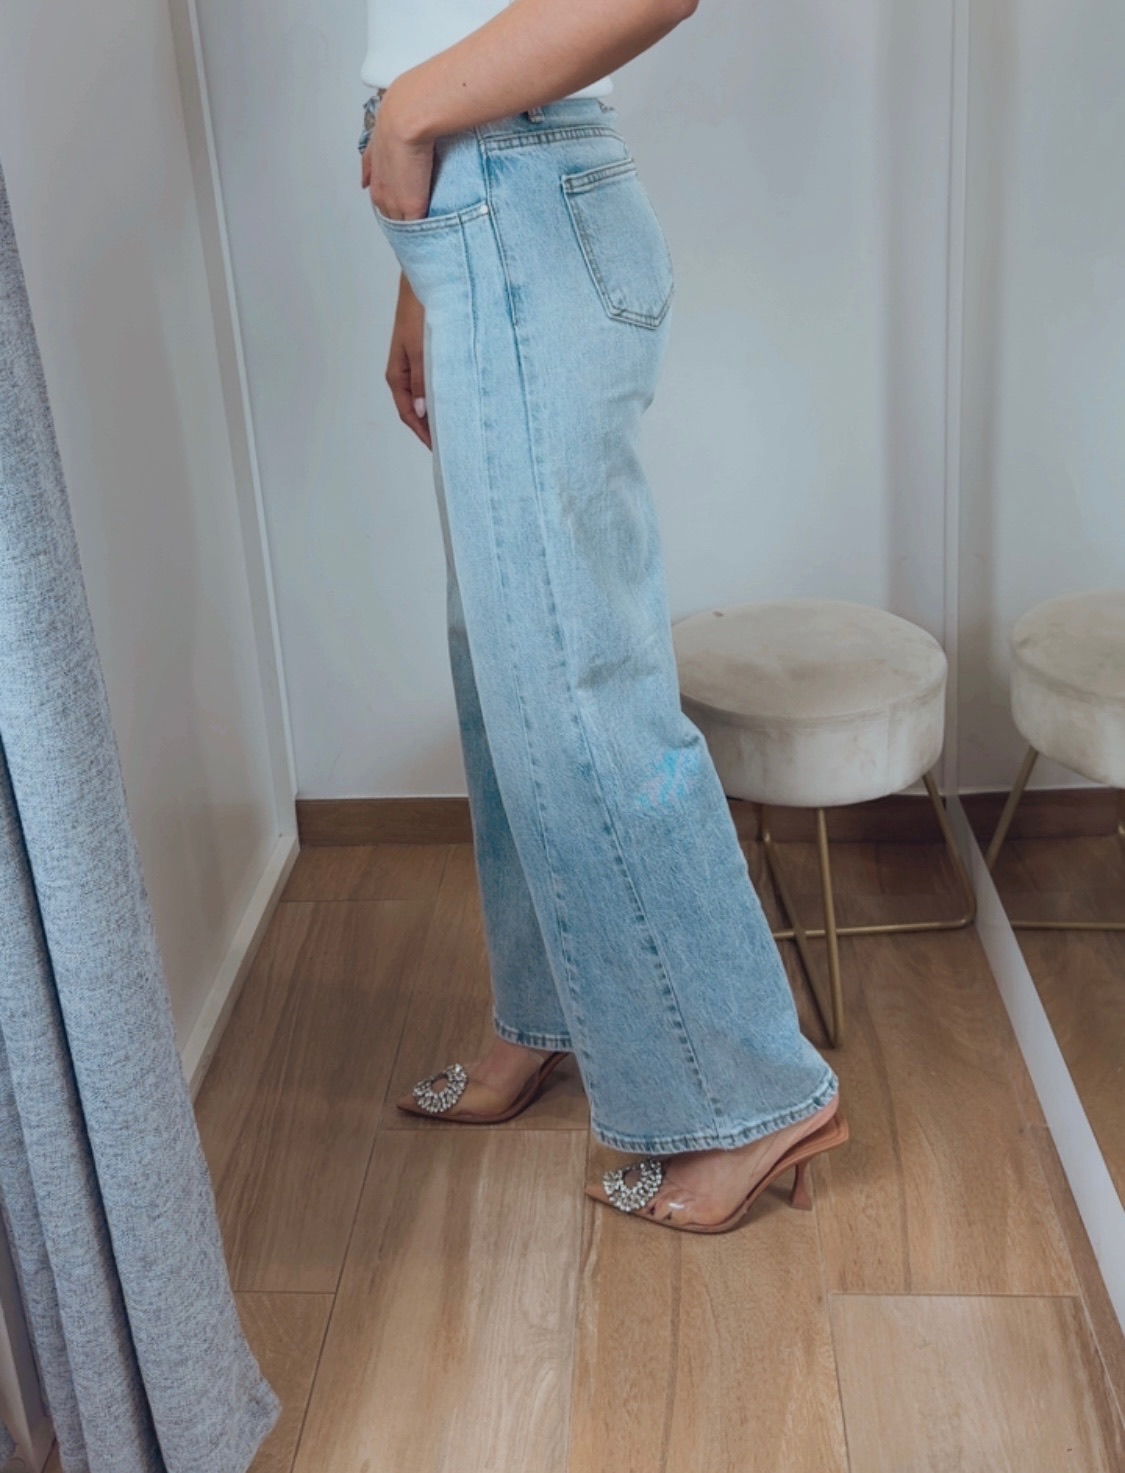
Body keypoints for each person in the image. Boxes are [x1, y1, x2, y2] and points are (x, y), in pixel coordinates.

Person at [356, 0, 847, 1233]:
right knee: (506, 676)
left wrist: (408, 119)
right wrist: (423, 271)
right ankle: (554, 1014)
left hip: (515, 197)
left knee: (578, 685)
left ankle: (751, 1096)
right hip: (481, 216)